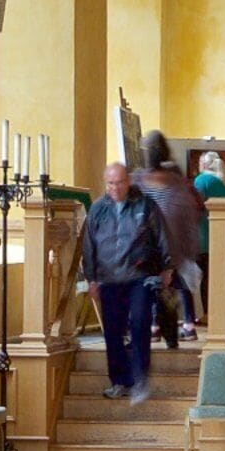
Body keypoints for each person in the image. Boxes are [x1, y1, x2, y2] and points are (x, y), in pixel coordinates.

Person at [82, 160, 172, 401]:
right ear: (105, 183)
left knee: (141, 323)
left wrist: (167, 267)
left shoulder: (145, 205)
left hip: (139, 277)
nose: (115, 188)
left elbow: (161, 236)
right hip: (109, 279)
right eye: (111, 183)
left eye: (120, 182)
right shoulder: (98, 209)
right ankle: (119, 381)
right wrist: (91, 279)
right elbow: (88, 245)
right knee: (112, 332)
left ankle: (140, 379)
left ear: (128, 181)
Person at [135, 132, 209, 344]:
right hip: (168, 241)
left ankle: (158, 325)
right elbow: (188, 213)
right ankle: (183, 324)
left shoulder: (142, 179)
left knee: (159, 282)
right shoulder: (174, 179)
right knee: (174, 283)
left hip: (158, 241)